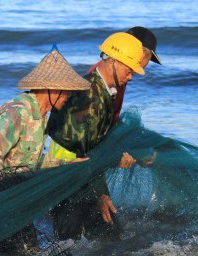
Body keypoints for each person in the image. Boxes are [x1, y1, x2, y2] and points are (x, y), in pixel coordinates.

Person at [0, 47, 90, 253]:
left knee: (29, 249)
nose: (69, 96)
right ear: (51, 88)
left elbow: (31, 162)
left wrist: (66, 165)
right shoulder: (18, 111)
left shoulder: (41, 117)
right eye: (67, 90)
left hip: (14, 201)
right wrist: (1, 189)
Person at [46, 28, 161, 240]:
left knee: (106, 237)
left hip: (82, 175)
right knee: (69, 241)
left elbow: (97, 141)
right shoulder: (89, 96)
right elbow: (83, 152)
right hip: (66, 177)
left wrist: (130, 154)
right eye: (130, 70)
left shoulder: (106, 90)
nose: (131, 76)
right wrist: (100, 194)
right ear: (113, 61)